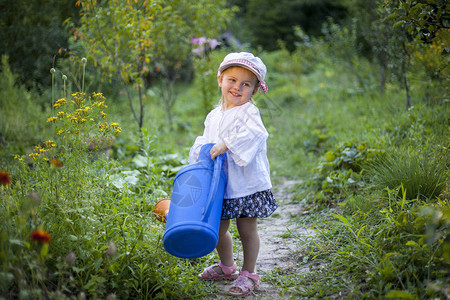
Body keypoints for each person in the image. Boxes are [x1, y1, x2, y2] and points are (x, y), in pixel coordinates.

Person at [189, 52, 278, 297]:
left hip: (247, 184)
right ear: (220, 79)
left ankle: (249, 273)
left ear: (254, 90)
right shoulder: (213, 115)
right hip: (222, 185)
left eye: (246, 84)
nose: (237, 87)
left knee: (246, 229)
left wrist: (226, 144)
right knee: (217, 228)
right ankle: (227, 267)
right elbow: (207, 144)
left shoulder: (249, 113)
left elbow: (255, 134)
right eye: (232, 80)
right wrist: (202, 155)